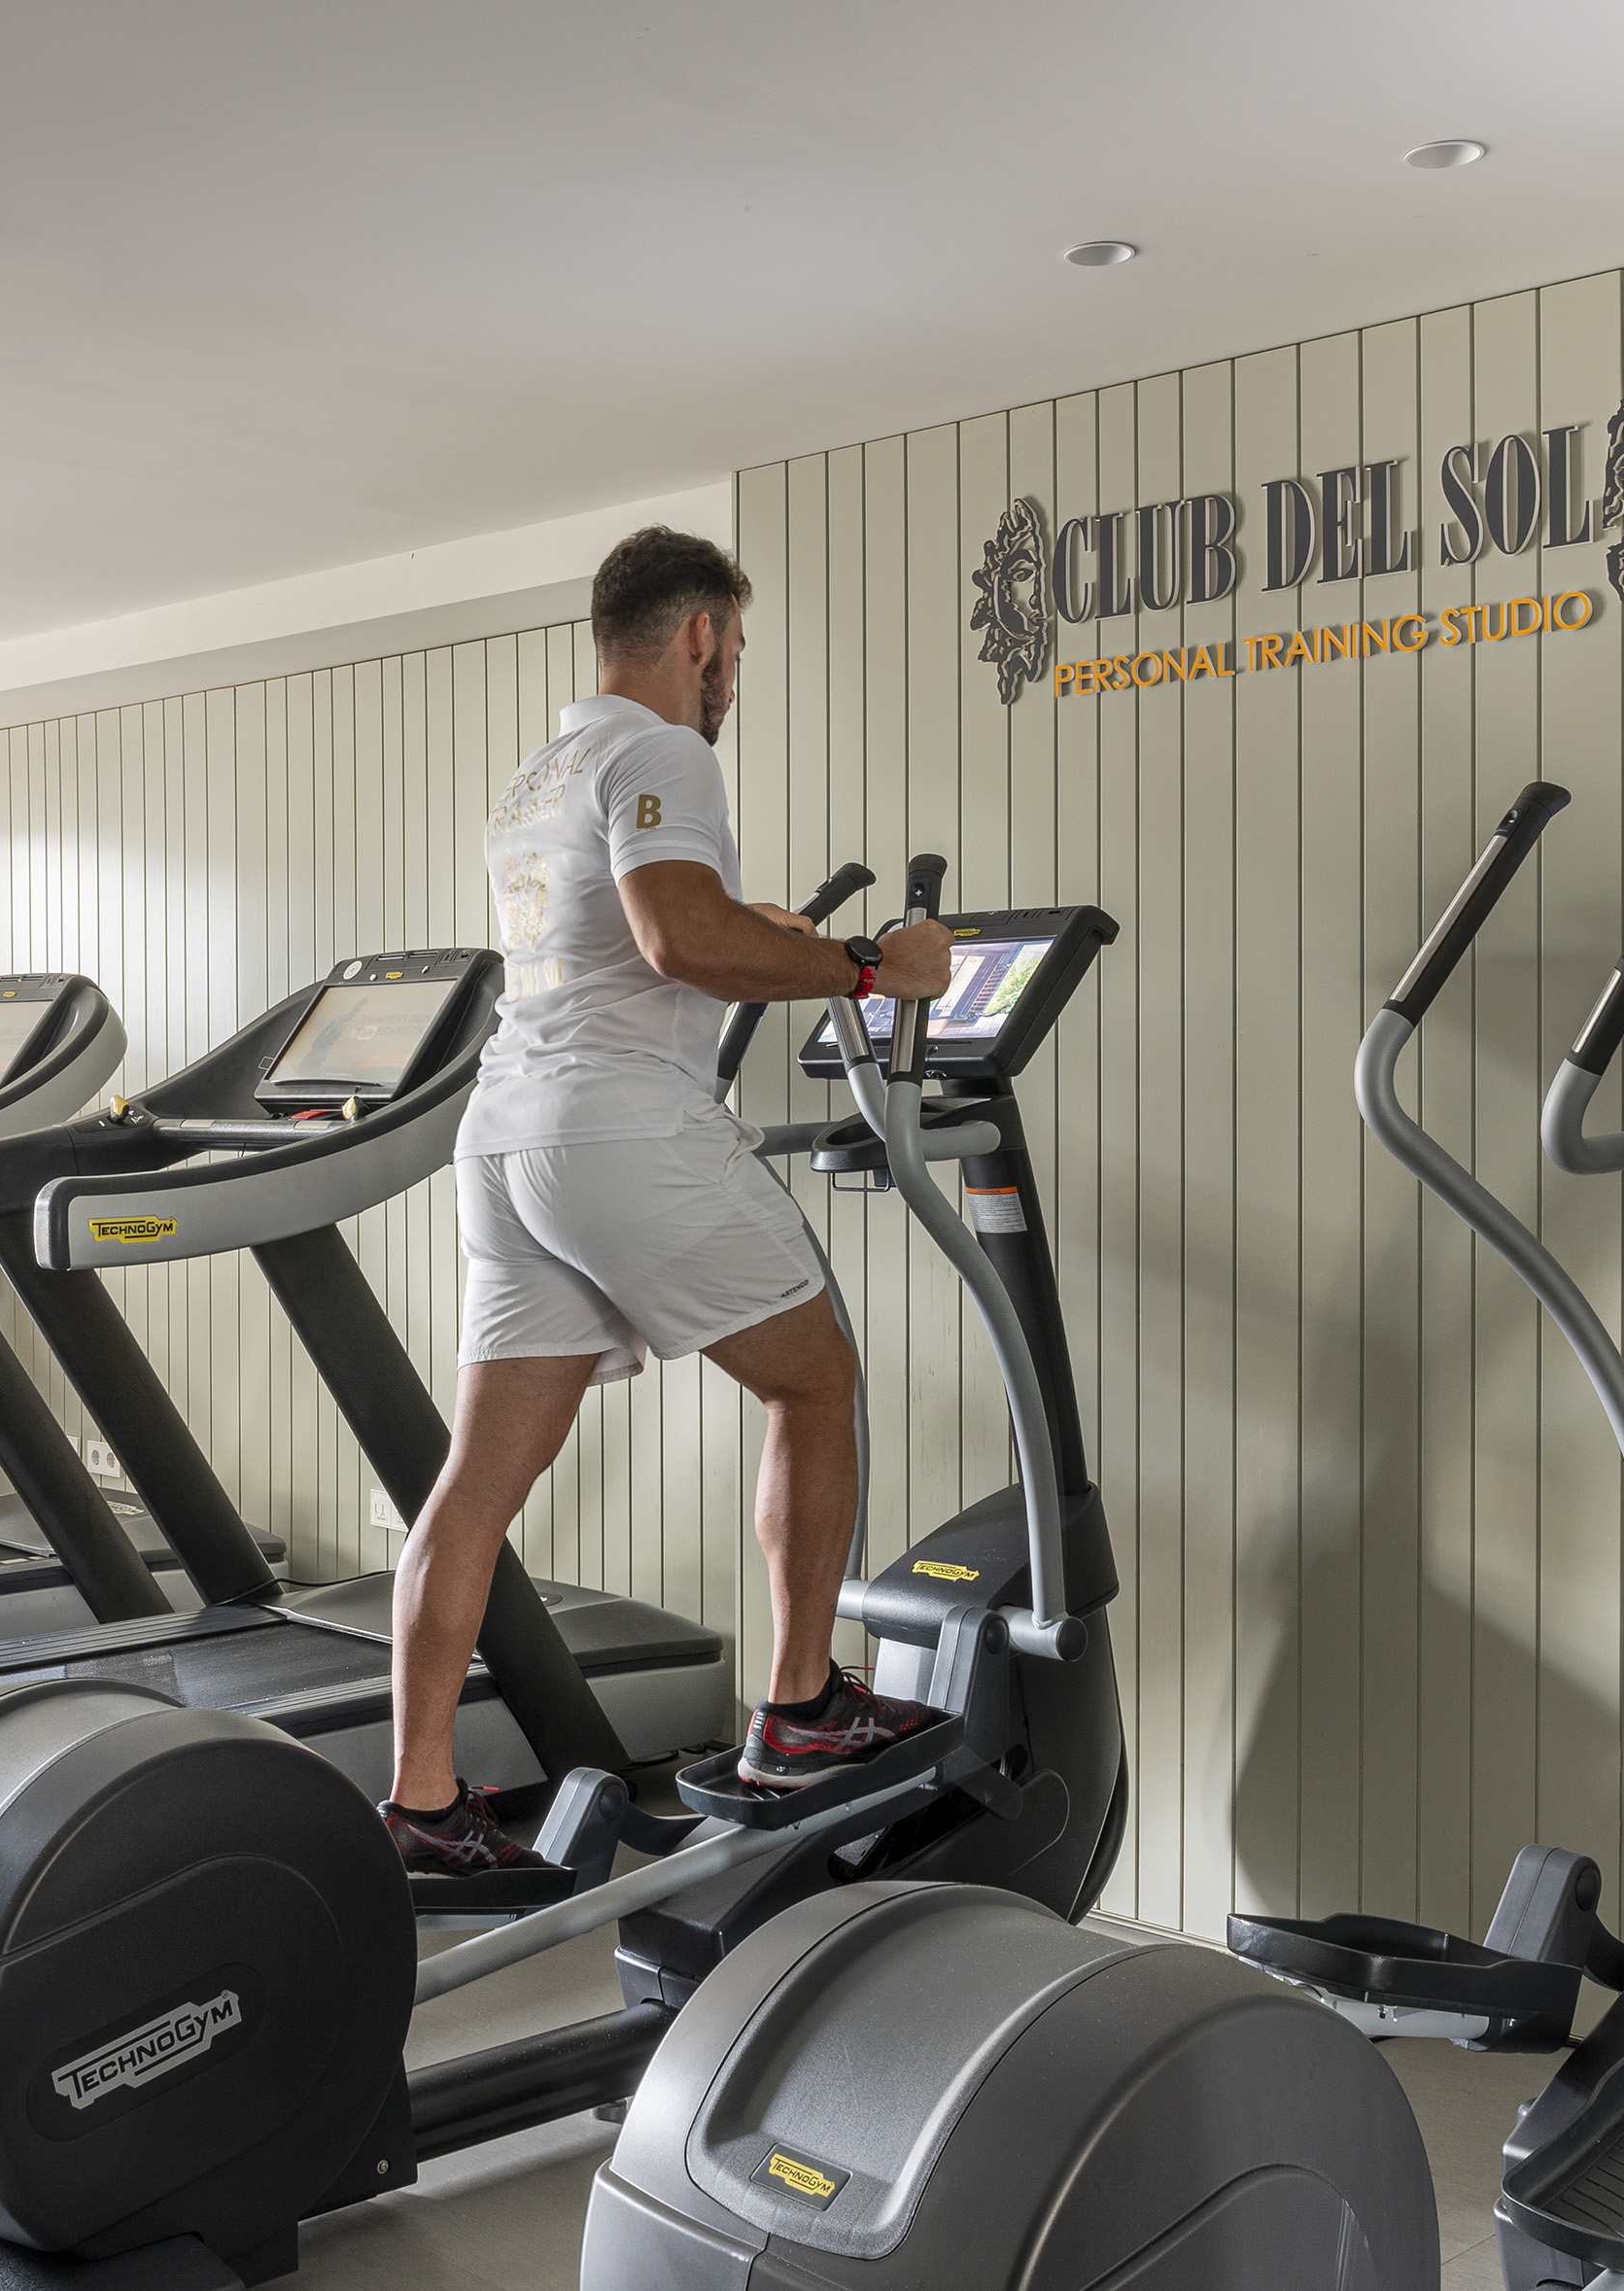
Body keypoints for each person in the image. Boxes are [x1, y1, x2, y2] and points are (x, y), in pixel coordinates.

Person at [382, 526, 957, 1899]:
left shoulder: (540, 777)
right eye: (737, 652)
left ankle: (418, 1800)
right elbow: (675, 940)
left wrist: (781, 935)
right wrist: (873, 967)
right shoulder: (666, 753)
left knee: (475, 1479)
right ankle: (806, 1703)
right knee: (816, 1380)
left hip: (508, 1135)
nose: (734, 680)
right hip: (617, 1125)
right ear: (696, 634)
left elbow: (633, 934)